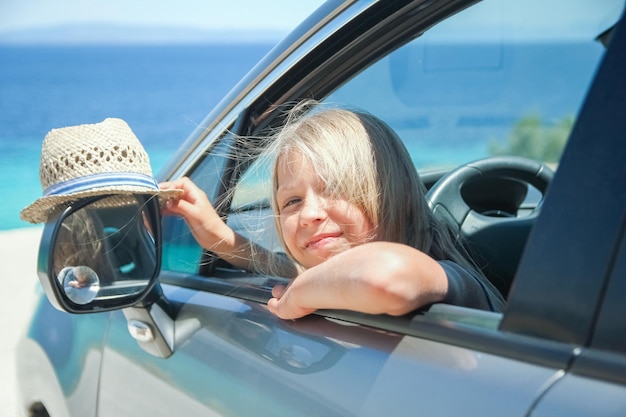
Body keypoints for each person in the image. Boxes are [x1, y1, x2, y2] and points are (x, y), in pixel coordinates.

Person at [160, 102, 505, 319]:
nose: (309, 213)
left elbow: (382, 276)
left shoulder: (455, 284)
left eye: (336, 189)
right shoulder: (333, 279)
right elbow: (303, 271)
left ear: (393, 195)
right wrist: (222, 240)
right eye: (291, 201)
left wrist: (297, 298)